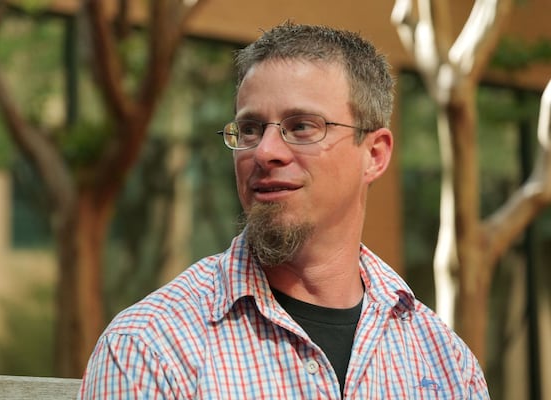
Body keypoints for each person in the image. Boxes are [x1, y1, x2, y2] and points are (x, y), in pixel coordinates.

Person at [78, 22, 489, 399]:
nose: (265, 152)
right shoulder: (149, 349)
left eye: (301, 126)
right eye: (251, 128)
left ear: (375, 155)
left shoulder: (447, 364)